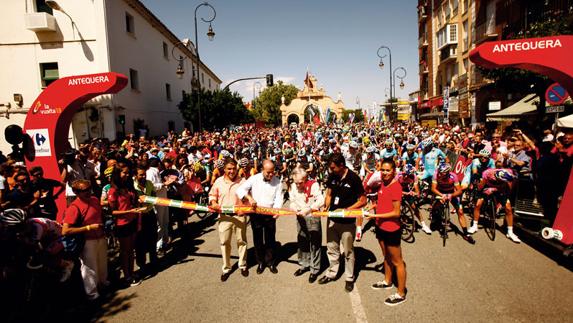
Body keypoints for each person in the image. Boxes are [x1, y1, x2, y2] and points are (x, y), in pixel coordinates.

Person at [318, 153, 366, 292]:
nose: (330, 170)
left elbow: (363, 201)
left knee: (348, 251)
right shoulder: (333, 176)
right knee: (332, 248)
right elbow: (329, 194)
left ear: (342, 165)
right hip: (332, 219)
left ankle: (349, 277)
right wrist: (325, 207)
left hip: (347, 222)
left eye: (333, 167)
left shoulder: (354, 178)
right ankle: (332, 273)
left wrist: (346, 210)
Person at [369, 159, 408, 306]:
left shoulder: (396, 187)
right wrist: (372, 206)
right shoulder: (383, 184)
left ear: (394, 171)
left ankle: (401, 293)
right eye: (383, 170)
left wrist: (375, 216)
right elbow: (383, 203)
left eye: (388, 170)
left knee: (397, 261)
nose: (385, 173)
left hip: (391, 228)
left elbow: (396, 213)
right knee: (386, 256)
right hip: (380, 226)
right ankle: (387, 281)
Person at [62, 179, 108, 300]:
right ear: (76, 192)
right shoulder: (74, 207)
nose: (88, 192)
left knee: (102, 263)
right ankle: (92, 294)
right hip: (87, 240)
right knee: (89, 267)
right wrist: (88, 227)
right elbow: (65, 230)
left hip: (100, 237)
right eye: (84, 191)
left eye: (89, 189)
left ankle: (103, 284)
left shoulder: (94, 200)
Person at [236, 159, 283, 274]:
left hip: (270, 214)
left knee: (270, 239)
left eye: (272, 172)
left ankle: (270, 262)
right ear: (262, 170)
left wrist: (277, 210)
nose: (271, 174)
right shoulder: (254, 178)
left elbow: (279, 198)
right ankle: (260, 262)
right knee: (257, 239)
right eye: (268, 172)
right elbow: (240, 189)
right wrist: (249, 198)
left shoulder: (278, 182)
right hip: (256, 214)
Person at [209, 158, 249, 281]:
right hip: (224, 217)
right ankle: (226, 268)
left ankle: (242, 265)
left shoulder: (243, 181)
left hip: (239, 216)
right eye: (229, 169)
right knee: (224, 243)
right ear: (224, 169)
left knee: (241, 242)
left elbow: (248, 198)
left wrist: (245, 209)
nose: (232, 171)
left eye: (234, 169)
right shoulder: (218, 181)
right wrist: (213, 202)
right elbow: (212, 195)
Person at [108, 166, 146, 286]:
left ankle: (132, 272)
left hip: (132, 221)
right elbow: (113, 212)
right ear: (118, 173)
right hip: (122, 224)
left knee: (131, 250)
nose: (127, 175)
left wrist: (136, 205)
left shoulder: (127, 186)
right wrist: (130, 212)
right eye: (124, 173)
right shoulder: (113, 190)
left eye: (128, 173)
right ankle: (127, 276)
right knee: (125, 251)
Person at [289, 167, 324, 283]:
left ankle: (314, 270)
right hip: (300, 216)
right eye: (296, 183)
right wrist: (294, 208)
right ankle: (304, 265)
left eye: (300, 183)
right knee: (302, 241)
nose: (298, 185)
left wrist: (309, 209)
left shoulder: (313, 185)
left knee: (315, 243)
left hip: (312, 216)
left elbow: (320, 200)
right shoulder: (293, 186)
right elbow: (292, 201)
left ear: (305, 178)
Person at [468, 168, 521, 243]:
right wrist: (484, 191)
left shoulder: (509, 175)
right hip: (486, 187)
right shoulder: (488, 173)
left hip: (500, 189)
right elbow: (480, 187)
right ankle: (474, 225)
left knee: (508, 208)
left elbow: (509, 189)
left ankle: (510, 232)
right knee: (478, 204)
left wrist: (495, 189)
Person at [431, 163, 475, 244]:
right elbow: (433, 189)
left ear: (448, 173)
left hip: (451, 192)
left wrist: (451, 195)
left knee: (460, 212)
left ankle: (466, 234)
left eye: (442, 173)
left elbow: (459, 190)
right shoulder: (435, 175)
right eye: (440, 172)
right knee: (437, 204)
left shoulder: (453, 176)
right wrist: (442, 195)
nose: (440, 174)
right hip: (440, 192)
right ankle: (434, 215)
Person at [133, 165, 159, 275]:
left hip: (150, 213)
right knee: (140, 242)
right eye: (140, 175)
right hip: (139, 217)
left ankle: (154, 261)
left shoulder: (149, 183)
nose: (143, 176)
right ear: (135, 176)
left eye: (144, 174)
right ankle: (142, 264)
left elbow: (154, 195)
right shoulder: (132, 186)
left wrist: (149, 202)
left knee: (153, 238)